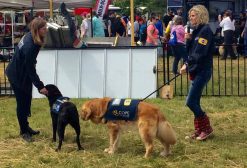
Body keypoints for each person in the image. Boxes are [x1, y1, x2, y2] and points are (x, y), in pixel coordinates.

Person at [5, 18, 48, 142]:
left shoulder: (30, 36)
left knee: (26, 99)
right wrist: (40, 86)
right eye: (44, 28)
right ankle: (24, 131)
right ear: (37, 29)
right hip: (17, 75)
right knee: (22, 103)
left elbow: (29, 64)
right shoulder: (30, 46)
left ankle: (26, 126)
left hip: (21, 72)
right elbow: (30, 70)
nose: (46, 30)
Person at [180, 5, 214, 141]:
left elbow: (199, 53)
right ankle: (199, 129)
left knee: (191, 102)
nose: (190, 18)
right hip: (196, 71)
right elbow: (190, 52)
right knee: (195, 102)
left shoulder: (205, 31)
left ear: (201, 16)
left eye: (193, 15)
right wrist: (188, 40)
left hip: (202, 71)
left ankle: (207, 129)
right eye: (190, 16)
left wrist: (187, 65)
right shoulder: (196, 31)